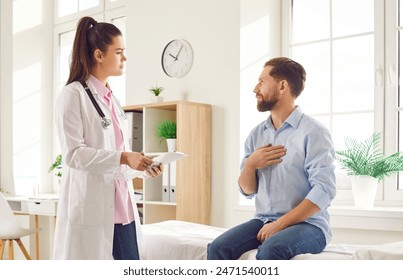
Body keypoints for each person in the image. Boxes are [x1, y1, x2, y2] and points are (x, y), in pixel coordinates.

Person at [53, 16, 163, 260]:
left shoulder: (111, 100)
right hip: (92, 209)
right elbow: (73, 155)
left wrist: (142, 167)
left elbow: (115, 163)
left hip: (123, 210)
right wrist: (125, 157)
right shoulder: (73, 95)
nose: (125, 58)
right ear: (99, 55)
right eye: (119, 52)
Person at [207, 57, 336, 260]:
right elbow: (248, 191)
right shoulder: (257, 134)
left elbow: (324, 191)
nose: (255, 88)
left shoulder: (313, 132)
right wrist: (250, 165)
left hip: (309, 225)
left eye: (262, 81)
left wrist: (280, 224)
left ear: (282, 86)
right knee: (217, 248)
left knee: (270, 250)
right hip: (263, 220)